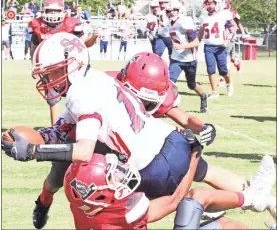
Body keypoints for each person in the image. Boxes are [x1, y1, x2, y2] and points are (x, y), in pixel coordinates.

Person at [2, 33, 275, 228]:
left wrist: (36, 150)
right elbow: (64, 129)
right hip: (168, 142)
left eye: (51, 73)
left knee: (97, 191)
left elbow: (83, 151)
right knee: (201, 184)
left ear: (71, 65)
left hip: (146, 167)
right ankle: (259, 199)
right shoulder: (98, 79)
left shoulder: (81, 95)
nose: (47, 80)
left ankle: (251, 201)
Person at [64, 153, 276, 230]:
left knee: (226, 225)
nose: (120, 176)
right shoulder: (124, 214)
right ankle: (252, 197)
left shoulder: (84, 208)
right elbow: (175, 200)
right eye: (112, 178)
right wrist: (193, 157)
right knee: (197, 197)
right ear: (96, 194)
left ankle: (254, 198)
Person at [28, 0, 98, 126]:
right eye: (50, 11)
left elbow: (84, 44)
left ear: (62, 12)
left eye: (56, 11)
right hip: (51, 68)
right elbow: (34, 48)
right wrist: (34, 65)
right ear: (44, 11)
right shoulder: (37, 25)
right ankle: (55, 129)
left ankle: (80, 125)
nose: (53, 14)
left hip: (71, 67)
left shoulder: (71, 24)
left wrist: (93, 37)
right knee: (53, 99)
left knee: (78, 98)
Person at [166, 0, 208, 113]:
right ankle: (171, 106)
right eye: (169, 11)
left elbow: (196, 42)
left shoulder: (184, 22)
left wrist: (182, 46)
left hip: (189, 59)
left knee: (191, 85)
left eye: (174, 10)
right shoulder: (168, 23)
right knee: (169, 82)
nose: (171, 13)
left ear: (180, 11)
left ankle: (203, 96)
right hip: (176, 59)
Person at [198, 0, 236, 99]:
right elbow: (200, 33)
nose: (209, 6)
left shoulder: (223, 16)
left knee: (223, 70)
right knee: (210, 70)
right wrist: (196, 44)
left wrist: (227, 40)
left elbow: (233, 29)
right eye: (207, 3)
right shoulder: (203, 17)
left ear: (216, 4)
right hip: (208, 46)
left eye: (211, 3)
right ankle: (215, 92)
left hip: (220, 46)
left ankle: (229, 84)